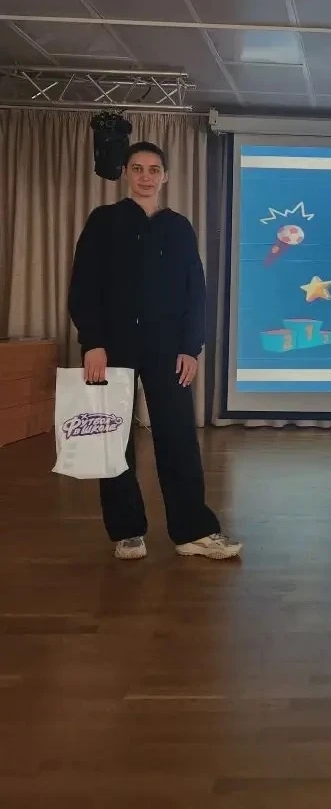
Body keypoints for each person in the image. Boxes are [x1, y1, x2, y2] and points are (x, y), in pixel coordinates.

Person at [67, 141, 241, 561]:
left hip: (168, 350)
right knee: (113, 440)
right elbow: (84, 285)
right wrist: (93, 343)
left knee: (179, 437)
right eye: (138, 168)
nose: (146, 176)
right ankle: (127, 532)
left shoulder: (178, 227)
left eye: (154, 169)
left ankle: (193, 532)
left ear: (165, 177)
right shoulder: (104, 221)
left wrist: (191, 347)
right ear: (126, 173)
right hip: (113, 347)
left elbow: (195, 291)